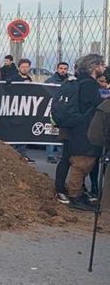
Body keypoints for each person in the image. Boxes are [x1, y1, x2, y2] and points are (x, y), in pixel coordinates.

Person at [54, 54, 105, 210]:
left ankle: (76, 193)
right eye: (102, 65)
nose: (104, 68)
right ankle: (75, 196)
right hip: (83, 130)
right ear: (94, 67)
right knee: (82, 164)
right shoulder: (90, 85)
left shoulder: (79, 83)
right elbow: (97, 104)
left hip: (74, 129)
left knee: (77, 161)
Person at [8, 59, 33, 162]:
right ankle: (11, 154)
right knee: (14, 132)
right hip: (15, 109)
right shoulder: (14, 79)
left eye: (26, 67)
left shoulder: (30, 79)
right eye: (22, 67)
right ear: (19, 68)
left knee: (23, 132)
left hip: (25, 110)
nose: (24, 69)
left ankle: (23, 154)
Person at [44, 62, 70, 163]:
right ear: (57, 69)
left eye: (65, 69)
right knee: (51, 132)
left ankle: (61, 155)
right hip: (52, 110)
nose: (63, 70)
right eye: (61, 68)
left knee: (63, 133)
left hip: (65, 111)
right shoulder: (50, 81)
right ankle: (50, 154)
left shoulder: (69, 81)